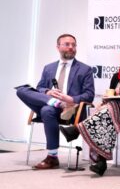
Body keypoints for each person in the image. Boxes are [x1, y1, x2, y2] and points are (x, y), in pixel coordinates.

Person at [60, 48, 120, 176]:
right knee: (107, 118)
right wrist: (106, 100)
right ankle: (101, 163)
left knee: (110, 109)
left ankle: (76, 130)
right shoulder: (116, 77)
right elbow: (111, 94)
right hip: (115, 112)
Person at [16, 34, 94, 169]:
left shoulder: (85, 69)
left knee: (47, 110)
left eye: (73, 45)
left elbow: (89, 95)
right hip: (51, 104)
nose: (71, 47)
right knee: (21, 90)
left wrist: (71, 99)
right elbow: (40, 87)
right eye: (67, 44)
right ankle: (54, 101)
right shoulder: (49, 68)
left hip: (70, 110)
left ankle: (52, 156)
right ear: (58, 47)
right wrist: (47, 92)